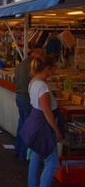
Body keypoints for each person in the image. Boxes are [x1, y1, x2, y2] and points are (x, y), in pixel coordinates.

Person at [20, 55, 63, 187]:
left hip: (35, 122)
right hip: (43, 126)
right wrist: (57, 130)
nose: (55, 71)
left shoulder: (33, 81)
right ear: (47, 69)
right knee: (52, 162)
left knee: (36, 157)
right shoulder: (42, 86)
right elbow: (47, 111)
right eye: (54, 68)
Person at [14, 47, 45, 161]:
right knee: (28, 127)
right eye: (42, 56)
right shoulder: (33, 65)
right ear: (37, 54)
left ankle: (17, 150)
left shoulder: (22, 63)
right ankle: (23, 154)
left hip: (19, 96)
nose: (42, 59)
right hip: (27, 97)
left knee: (22, 124)